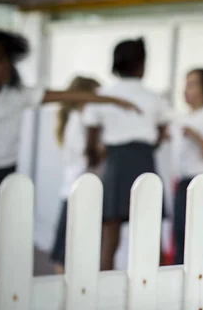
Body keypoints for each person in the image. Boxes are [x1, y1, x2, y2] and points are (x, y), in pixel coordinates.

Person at [0, 28, 137, 272]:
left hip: (5, 172)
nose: (5, 65)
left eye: (6, 58)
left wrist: (115, 100)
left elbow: (69, 93)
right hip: (70, 185)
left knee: (3, 239)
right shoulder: (75, 126)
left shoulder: (18, 95)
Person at [83, 37, 170, 271]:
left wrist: (94, 155)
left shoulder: (102, 95)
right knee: (152, 233)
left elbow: (90, 135)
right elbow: (162, 132)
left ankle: (104, 292)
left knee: (109, 238)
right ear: (141, 64)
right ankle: (159, 289)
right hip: (144, 162)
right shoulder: (155, 98)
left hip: (116, 164)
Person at [50, 76, 105, 274]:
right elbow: (89, 156)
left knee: (72, 248)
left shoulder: (77, 120)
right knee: (67, 252)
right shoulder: (78, 121)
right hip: (78, 190)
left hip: (77, 189)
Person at [172, 68, 203, 264]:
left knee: (193, 235)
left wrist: (195, 135)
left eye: (192, 85)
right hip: (183, 180)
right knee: (180, 233)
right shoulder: (186, 117)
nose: (185, 90)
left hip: (199, 180)